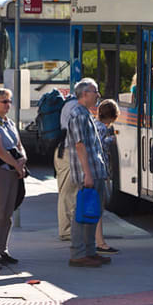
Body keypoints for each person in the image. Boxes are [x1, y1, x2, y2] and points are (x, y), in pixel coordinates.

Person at [65, 78, 111, 268]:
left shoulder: (85, 113)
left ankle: (90, 251)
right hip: (88, 173)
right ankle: (78, 254)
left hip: (95, 170)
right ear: (84, 94)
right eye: (95, 92)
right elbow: (80, 145)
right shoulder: (78, 114)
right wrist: (88, 174)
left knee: (93, 212)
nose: (98, 95)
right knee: (82, 213)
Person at [0, 87, 26, 266]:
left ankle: (3, 249)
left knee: (8, 214)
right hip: (1, 172)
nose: (8, 105)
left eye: (9, 101)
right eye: (4, 102)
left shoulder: (8, 123)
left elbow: (18, 144)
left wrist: (23, 159)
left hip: (13, 173)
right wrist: (16, 165)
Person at [93, 99, 120, 255]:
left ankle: (97, 240)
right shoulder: (103, 129)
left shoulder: (94, 124)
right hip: (99, 171)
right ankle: (100, 242)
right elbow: (102, 147)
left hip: (94, 170)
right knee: (98, 208)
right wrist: (113, 139)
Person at [55, 94, 80, 241]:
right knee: (67, 193)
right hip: (67, 152)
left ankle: (70, 229)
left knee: (70, 192)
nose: (98, 95)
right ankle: (66, 231)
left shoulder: (72, 105)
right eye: (95, 92)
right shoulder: (74, 107)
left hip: (67, 152)